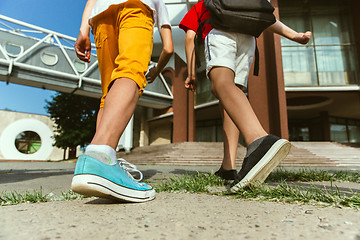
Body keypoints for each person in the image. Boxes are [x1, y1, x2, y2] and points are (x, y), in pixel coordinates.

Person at [179, 1, 311, 191]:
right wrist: (295, 35)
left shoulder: (203, 4)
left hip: (219, 33)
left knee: (221, 84)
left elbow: (190, 36)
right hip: (247, 38)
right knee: (232, 97)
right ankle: (228, 166)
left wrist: (191, 72)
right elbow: (265, 18)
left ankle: (258, 140)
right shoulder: (241, 2)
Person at [72, 0, 174, 202]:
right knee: (131, 72)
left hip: (100, 16)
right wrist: (157, 69)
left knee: (107, 94)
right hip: (136, 7)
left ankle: (96, 161)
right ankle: (100, 158)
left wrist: (83, 29)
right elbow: (169, 48)